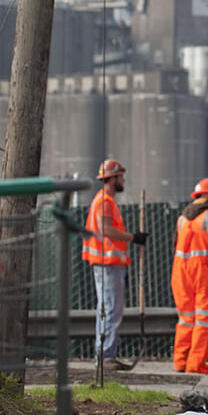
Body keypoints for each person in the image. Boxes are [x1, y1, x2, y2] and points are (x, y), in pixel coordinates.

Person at [82, 159, 147, 372]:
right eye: (121, 176)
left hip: (110, 264)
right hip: (107, 264)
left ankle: (105, 354)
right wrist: (133, 237)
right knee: (111, 310)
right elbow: (106, 230)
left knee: (109, 309)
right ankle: (105, 356)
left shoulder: (106, 200)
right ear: (112, 178)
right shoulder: (104, 201)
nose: (123, 180)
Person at [170, 177, 208, 373]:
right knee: (206, 319)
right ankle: (195, 365)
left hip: (180, 272)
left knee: (186, 318)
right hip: (206, 272)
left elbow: (175, 245)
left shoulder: (182, 218)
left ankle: (180, 361)